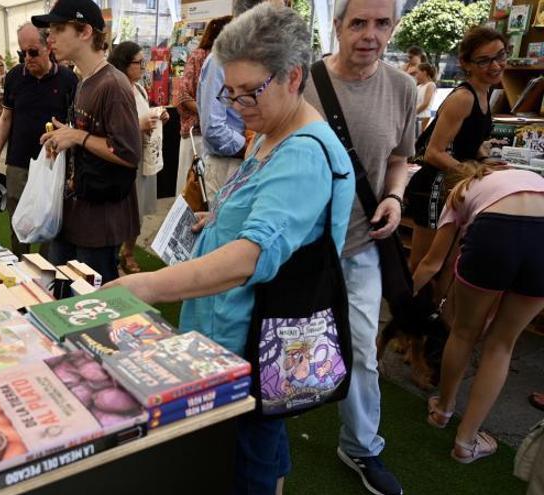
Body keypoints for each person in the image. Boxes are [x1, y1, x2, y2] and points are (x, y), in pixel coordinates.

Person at [107, 5, 353, 493]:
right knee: (259, 442)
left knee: (247, 456)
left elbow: (251, 257)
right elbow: (264, 221)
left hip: (251, 344)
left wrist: (150, 285)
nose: (239, 105)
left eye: (250, 92)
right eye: (231, 92)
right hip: (234, 337)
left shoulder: (303, 152)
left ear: (292, 77)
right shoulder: (274, 133)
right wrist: (214, 220)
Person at [303, 0, 416, 492]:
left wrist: (394, 196)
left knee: (362, 351)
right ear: (338, 26)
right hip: (297, 244)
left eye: (382, 23)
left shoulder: (402, 88)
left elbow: (399, 158)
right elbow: (260, 149)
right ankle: (267, 417)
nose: (370, 34)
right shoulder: (301, 81)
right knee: (283, 335)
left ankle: (361, 446)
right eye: (359, 23)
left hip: (361, 243)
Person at [413, 164, 544, 463]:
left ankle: (442, 411)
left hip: (494, 230)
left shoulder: (460, 194)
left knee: (463, 332)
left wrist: (404, 294)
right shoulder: (526, 177)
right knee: (501, 344)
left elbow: (432, 263)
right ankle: (466, 441)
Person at [32, 0, 142, 283]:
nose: (50, 38)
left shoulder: (113, 85)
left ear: (85, 32)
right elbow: (93, 134)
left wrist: (77, 136)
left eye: (59, 28)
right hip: (76, 215)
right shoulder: (86, 82)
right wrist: (64, 136)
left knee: (93, 310)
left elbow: (128, 154)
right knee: (61, 295)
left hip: (100, 224)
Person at [406, 27, 506, 270]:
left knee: (444, 263)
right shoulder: (464, 97)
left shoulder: (485, 91)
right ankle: (409, 306)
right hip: (434, 187)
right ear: (466, 63)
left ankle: (430, 306)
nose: (495, 66)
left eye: (500, 56)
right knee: (424, 263)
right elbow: (434, 152)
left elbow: (466, 142)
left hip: (452, 185)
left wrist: (487, 159)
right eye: (484, 60)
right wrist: (474, 171)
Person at [0, 23, 77, 256]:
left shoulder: (68, 80)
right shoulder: (15, 77)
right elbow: (6, 118)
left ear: (48, 47)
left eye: (33, 52)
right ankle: (18, 264)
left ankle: (47, 268)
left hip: (53, 164)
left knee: (51, 217)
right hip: (18, 162)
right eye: (22, 53)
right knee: (18, 220)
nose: (27, 58)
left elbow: (74, 127)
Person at [109, 41, 169, 274]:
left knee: (139, 211)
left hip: (143, 158)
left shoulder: (139, 88)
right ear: (124, 64)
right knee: (123, 211)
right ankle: (115, 255)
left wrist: (157, 115)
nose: (144, 66)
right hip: (125, 161)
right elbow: (113, 129)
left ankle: (128, 252)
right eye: (139, 62)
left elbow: (144, 115)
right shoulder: (116, 89)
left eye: (144, 61)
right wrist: (139, 124)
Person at [175, 15, 231, 198]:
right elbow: (182, 96)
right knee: (192, 190)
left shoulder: (230, 60)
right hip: (197, 134)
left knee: (209, 192)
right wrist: (208, 110)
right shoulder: (200, 56)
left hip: (218, 138)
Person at [197, 13, 246, 200]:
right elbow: (212, 127)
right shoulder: (220, 59)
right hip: (225, 163)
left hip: (244, 160)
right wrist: (246, 146)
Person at [415, 62, 437, 130]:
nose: (416, 75)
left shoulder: (430, 85)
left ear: (424, 72)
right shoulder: (419, 86)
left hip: (423, 116)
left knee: (417, 137)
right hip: (416, 115)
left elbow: (425, 103)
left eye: (417, 72)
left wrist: (413, 113)